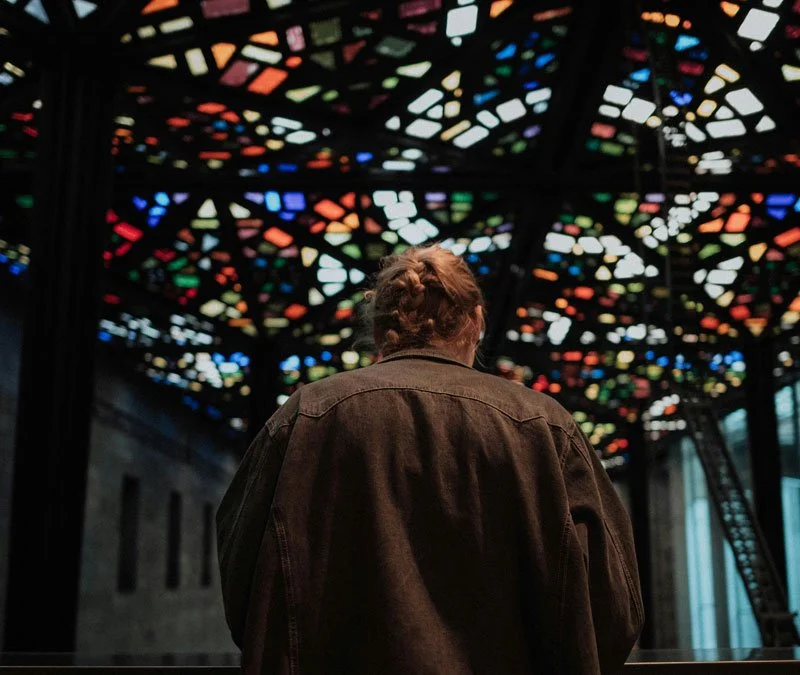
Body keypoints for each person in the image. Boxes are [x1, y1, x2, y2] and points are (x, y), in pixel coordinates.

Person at [217, 245, 644, 675]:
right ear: (476, 322)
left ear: (380, 329)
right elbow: (615, 610)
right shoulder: (546, 426)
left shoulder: (304, 416)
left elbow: (241, 586)